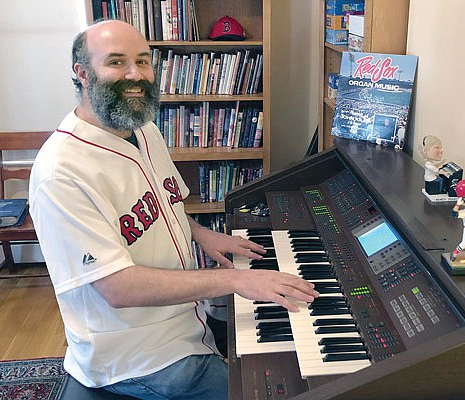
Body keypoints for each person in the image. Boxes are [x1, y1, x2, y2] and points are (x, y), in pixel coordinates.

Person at [28, 20, 318, 400]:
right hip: (141, 358)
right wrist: (233, 281)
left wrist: (203, 234)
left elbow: (167, 202)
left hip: (183, 322)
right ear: (82, 74)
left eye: (143, 62)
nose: (136, 75)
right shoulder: (60, 174)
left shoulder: (143, 128)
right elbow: (117, 287)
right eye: (116, 62)